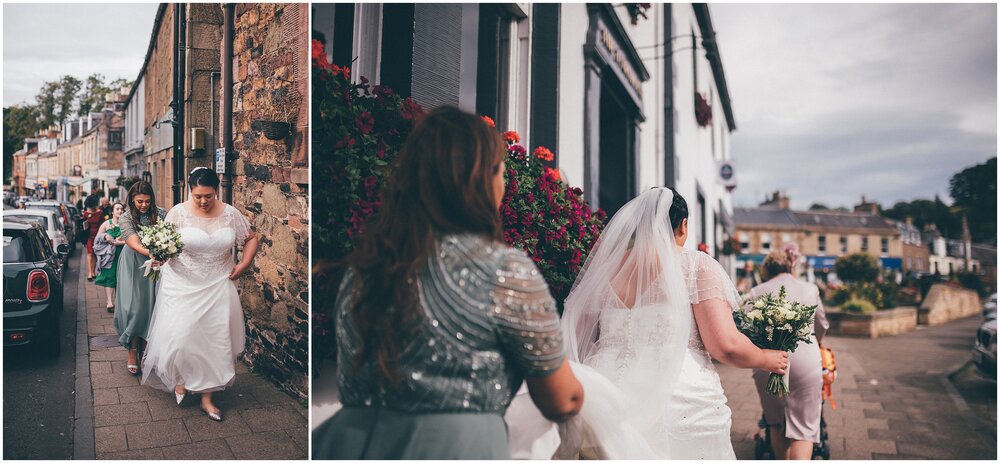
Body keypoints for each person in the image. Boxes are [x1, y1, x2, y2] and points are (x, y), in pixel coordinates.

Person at [312, 107, 585, 459]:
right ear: (482, 178)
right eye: (501, 169)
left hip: (350, 444)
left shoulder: (363, 268)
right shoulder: (504, 270)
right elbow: (563, 400)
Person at [533, 187, 789, 459]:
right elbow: (724, 346)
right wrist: (766, 358)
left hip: (604, 394)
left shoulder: (607, 272)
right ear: (683, 225)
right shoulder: (695, 265)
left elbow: (579, 337)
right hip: (677, 396)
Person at [141, 167, 259, 422]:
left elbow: (250, 238)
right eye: (198, 196)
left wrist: (244, 264)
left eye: (209, 195)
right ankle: (182, 379)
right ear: (189, 192)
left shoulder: (230, 214)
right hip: (182, 284)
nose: (204, 201)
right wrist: (159, 256)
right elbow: (164, 245)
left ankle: (207, 397)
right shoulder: (177, 214)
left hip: (217, 284)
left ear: (216, 191)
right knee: (182, 339)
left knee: (214, 342)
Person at [746, 246, 829, 460]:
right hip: (807, 361)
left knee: (775, 421)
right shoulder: (810, 289)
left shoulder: (757, 291)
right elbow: (822, 324)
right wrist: (815, 343)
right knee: (805, 427)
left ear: (767, 269)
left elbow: (746, 330)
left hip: (767, 362)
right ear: (790, 266)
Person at [114, 181, 166, 376]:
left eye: (147, 201)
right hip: (133, 262)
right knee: (133, 307)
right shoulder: (126, 217)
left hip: (155, 264)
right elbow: (133, 242)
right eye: (139, 201)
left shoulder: (161, 214)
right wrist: (151, 252)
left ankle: (146, 350)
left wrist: (163, 253)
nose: (143, 205)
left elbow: (169, 234)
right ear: (132, 200)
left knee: (151, 306)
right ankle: (132, 349)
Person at [93, 202, 126, 313]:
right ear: (112, 211)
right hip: (109, 256)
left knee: (121, 278)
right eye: (117, 209)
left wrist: (120, 243)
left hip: (123, 254)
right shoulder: (106, 224)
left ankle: (119, 301)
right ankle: (109, 302)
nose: (120, 211)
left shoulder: (126, 224)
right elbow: (97, 239)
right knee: (109, 277)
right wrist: (105, 236)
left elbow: (131, 240)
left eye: (121, 209)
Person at [82, 194, 105, 281]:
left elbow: (103, 224)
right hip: (89, 237)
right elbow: (83, 225)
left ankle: (93, 272)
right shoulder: (86, 213)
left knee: (95, 254)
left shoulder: (100, 213)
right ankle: (89, 273)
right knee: (90, 253)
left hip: (98, 236)